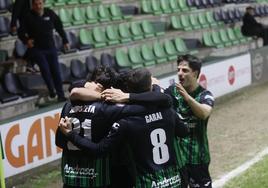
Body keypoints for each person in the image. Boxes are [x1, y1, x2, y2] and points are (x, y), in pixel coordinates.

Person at [58, 68, 189, 188]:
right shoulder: (110, 110)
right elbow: (163, 103)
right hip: (98, 178)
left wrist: (70, 134)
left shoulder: (67, 106)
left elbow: (59, 142)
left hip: (71, 177)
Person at [164, 54, 214, 188]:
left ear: (195, 73)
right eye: (178, 70)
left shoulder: (205, 95)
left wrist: (187, 98)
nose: (180, 73)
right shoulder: (171, 92)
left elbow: (204, 113)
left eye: (185, 70)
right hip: (177, 159)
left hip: (198, 158)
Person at [18, 0, 69, 101]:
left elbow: (59, 27)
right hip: (37, 49)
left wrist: (65, 40)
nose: (38, 6)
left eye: (40, 3)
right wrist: (26, 40)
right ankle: (51, 90)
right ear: (32, 5)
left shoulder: (50, 13)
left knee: (56, 72)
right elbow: (21, 32)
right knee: (45, 70)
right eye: (36, 4)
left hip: (51, 48)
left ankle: (61, 95)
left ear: (43, 4)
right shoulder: (28, 16)